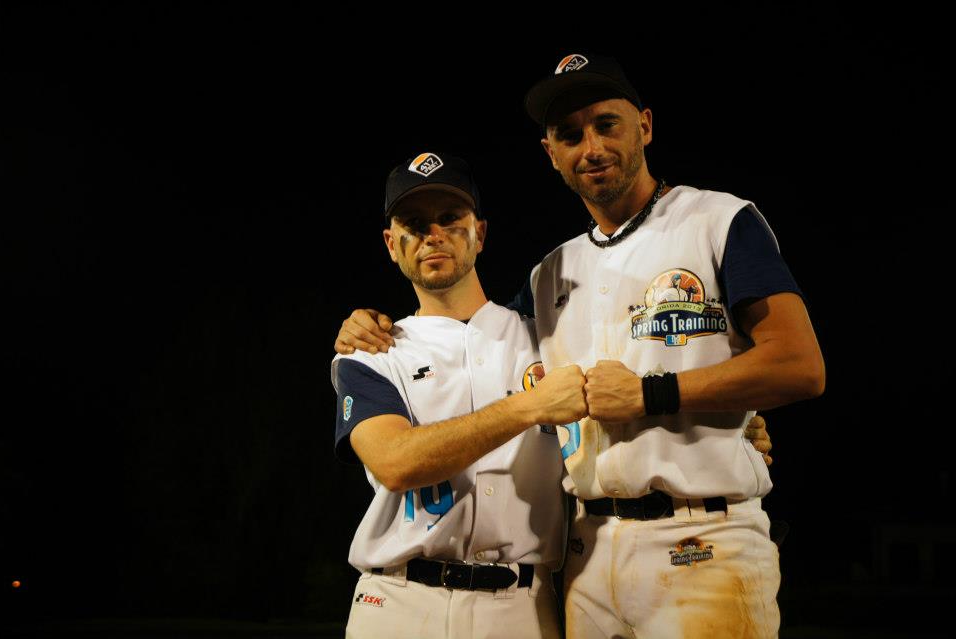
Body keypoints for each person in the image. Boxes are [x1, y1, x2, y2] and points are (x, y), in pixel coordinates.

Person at [335, 53, 820, 638]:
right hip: (586, 555)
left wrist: (665, 397)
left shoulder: (716, 220)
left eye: (606, 124)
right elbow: (467, 345)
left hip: (702, 537)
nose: (590, 146)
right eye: (570, 134)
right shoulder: (550, 278)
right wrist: (361, 324)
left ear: (645, 125)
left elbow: (800, 366)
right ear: (550, 152)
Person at [332, 152, 587, 639]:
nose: (433, 234)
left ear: (480, 233)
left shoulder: (547, 339)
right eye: (414, 224)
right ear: (391, 244)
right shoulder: (370, 354)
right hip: (399, 602)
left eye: (450, 218)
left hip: (523, 605)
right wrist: (528, 406)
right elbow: (395, 462)